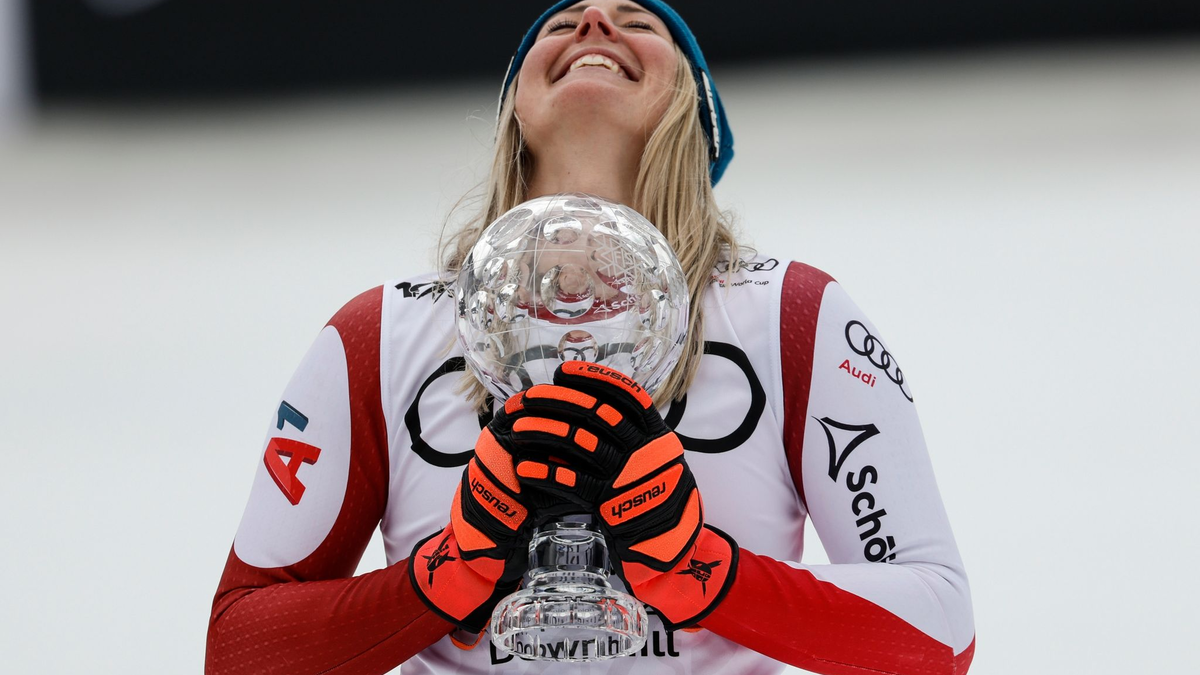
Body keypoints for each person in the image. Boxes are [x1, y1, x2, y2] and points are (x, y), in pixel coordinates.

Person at [205, 1, 976, 673]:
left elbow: (943, 629)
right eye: (561, 24)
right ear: (515, 108)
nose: (596, 22)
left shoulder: (792, 316)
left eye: (637, 22)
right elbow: (237, 646)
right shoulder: (380, 335)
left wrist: (705, 569)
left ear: (694, 110)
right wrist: (441, 575)